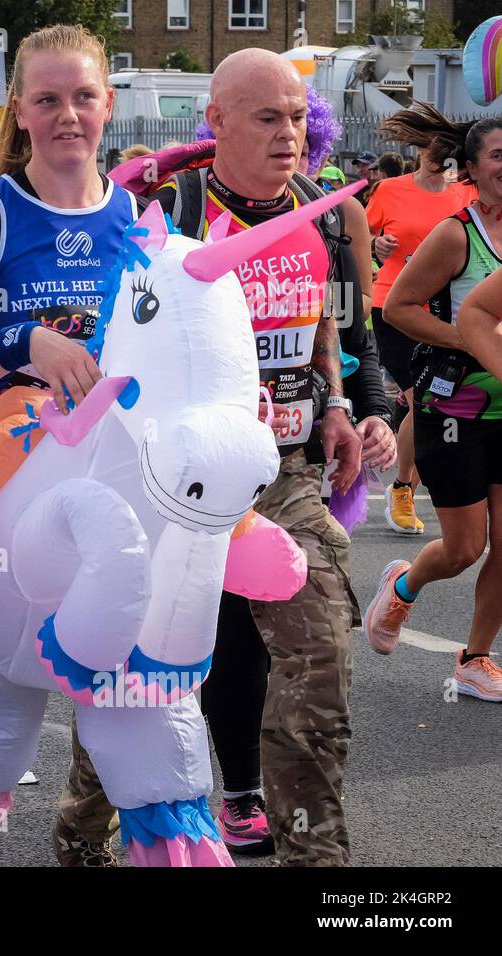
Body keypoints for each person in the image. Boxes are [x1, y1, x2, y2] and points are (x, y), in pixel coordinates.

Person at [126, 49, 369, 867]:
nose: (290, 134)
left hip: (286, 475)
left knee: (318, 647)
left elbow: (326, 324)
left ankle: (314, 855)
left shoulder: (322, 211)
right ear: (219, 122)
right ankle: (92, 830)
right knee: (149, 672)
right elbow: (129, 336)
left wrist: (336, 406)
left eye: (298, 116)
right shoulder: (173, 209)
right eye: (268, 118)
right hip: (182, 485)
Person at [0, 23, 141, 866]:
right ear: (20, 109)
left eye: (83, 96)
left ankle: (123, 834)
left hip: (113, 492)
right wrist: (24, 344)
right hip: (1, 498)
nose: (68, 116)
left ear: (108, 103)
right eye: (47, 100)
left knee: (139, 692)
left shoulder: (143, 222)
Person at [365, 112, 502, 703]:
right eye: (498, 156)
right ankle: (405, 582)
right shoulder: (456, 234)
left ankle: (475, 659)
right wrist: (474, 338)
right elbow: (399, 308)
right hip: (456, 408)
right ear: (470, 169)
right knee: (464, 548)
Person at [367, 110, 477, 536]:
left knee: (427, 403)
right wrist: (377, 245)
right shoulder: (390, 190)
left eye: (447, 150)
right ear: (417, 149)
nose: (439, 156)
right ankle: (400, 489)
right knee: (420, 401)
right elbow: (364, 236)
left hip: (443, 311)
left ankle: (407, 480)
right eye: (432, 147)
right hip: (394, 304)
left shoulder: (462, 194)